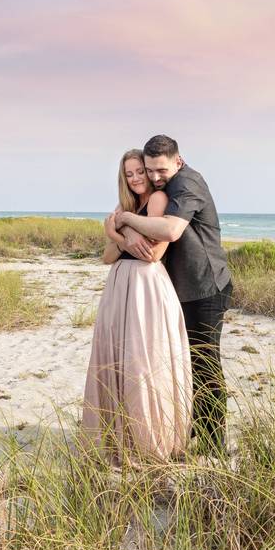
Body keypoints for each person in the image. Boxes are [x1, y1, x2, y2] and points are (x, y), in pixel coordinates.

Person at [115, 135, 233, 456]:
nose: (154, 177)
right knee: (184, 364)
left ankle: (214, 443)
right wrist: (125, 227)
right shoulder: (161, 189)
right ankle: (190, 427)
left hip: (206, 288)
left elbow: (169, 230)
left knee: (205, 364)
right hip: (180, 289)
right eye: (149, 170)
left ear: (178, 161)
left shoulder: (188, 183)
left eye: (160, 170)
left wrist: (124, 220)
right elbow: (133, 224)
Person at [81, 149, 192, 465]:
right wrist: (118, 235)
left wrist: (118, 229)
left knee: (142, 361)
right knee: (116, 359)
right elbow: (107, 257)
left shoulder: (157, 200)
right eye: (128, 174)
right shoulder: (124, 206)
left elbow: (153, 253)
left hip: (145, 286)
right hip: (119, 286)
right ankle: (120, 438)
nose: (135, 178)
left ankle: (148, 441)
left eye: (139, 172)